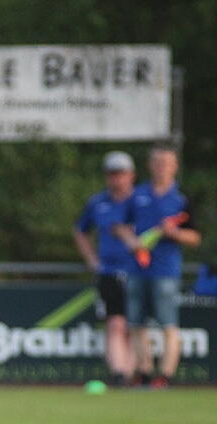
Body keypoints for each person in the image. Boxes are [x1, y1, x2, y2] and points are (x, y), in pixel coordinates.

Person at [117, 143, 201, 388]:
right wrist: (132, 241)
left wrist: (173, 233)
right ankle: (143, 370)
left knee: (168, 322)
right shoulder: (137, 195)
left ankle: (165, 374)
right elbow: (120, 226)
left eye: (166, 163)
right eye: (157, 162)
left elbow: (195, 237)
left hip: (166, 270)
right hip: (137, 268)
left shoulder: (181, 198)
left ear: (174, 166)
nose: (161, 167)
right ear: (149, 165)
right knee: (136, 322)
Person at [73, 151, 137, 385]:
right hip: (109, 272)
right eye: (112, 174)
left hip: (139, 272)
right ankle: (119, 374)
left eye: (121, 174)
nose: (116, 179)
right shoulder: (97, 203)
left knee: (135, 325)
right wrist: (91, 259)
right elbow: (80, 230)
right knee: (115, 323)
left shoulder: (141, 200)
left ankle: (133, 373)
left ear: (131, 175)